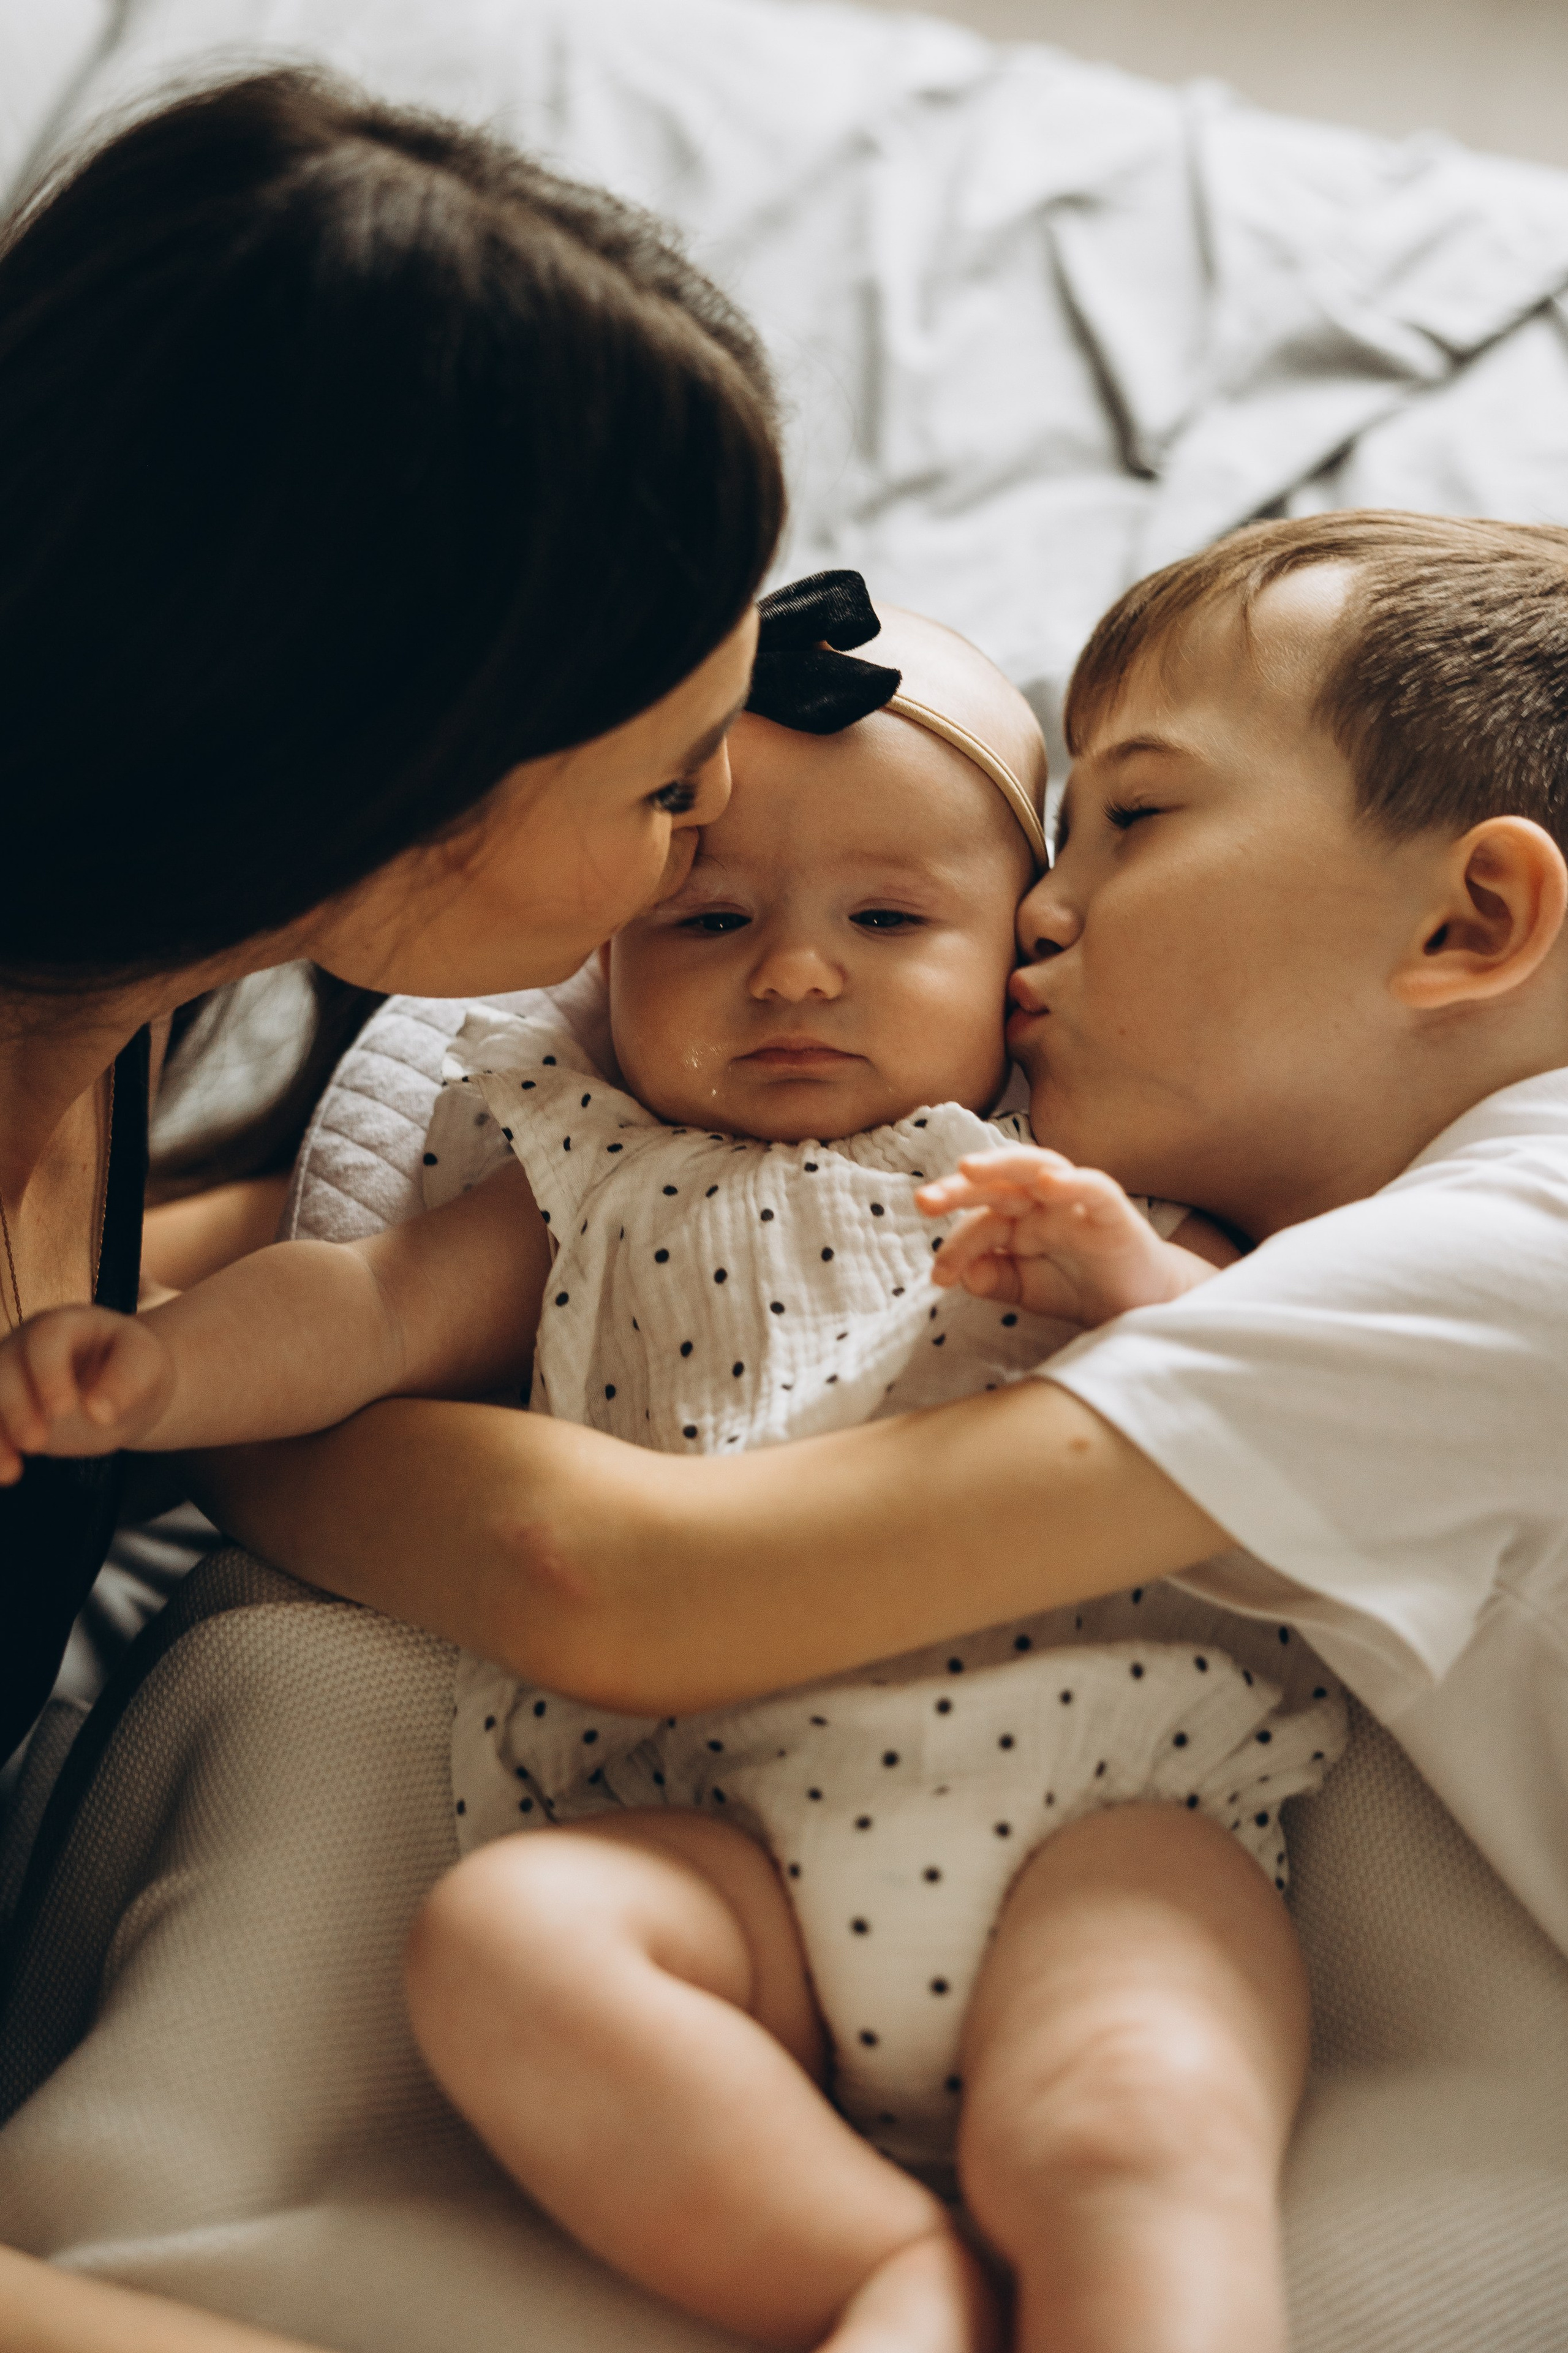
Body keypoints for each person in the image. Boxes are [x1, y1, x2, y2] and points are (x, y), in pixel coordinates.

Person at [0, 584, 1344, 2353]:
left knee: (1135, 2125)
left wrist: (1133, 1280)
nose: (795, 971)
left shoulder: (1066, 1157)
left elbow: (1285, 1370)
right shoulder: (576, 1167)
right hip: (715, 1828)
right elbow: (370, 1303)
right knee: (506, 1941)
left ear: (1021, 952)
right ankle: (870, 2263)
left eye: (888, 915)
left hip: (1099, 1802)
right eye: (707, 918)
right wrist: (163, 1358)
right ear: (606, 963)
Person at [0, 58, 783, 2353]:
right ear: (388, 768)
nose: (716, 824)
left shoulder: (110, 993)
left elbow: (200, 1289)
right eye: (666, 786)